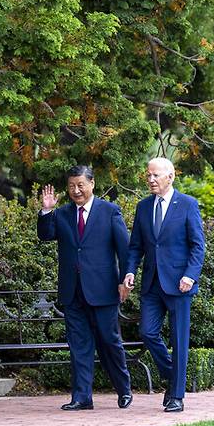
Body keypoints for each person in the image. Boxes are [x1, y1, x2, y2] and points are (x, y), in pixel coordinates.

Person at [38, 165, 132, 411]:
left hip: (103, 291)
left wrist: (125, 280)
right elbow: (46, 236)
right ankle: (82, 397)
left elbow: (125, 250)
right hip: (73, 292)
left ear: (92, 184)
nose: (76, 190)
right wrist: (47, 210)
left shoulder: (110, 211)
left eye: (80, 185)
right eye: (71, 186)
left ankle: (123, 390)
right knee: (79, 346)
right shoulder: (62, 214)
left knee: (109, 342)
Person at [120, 157, 205, 412]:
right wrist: (129, 271)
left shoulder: (188, 204)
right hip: (152, 284)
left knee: (179, 340)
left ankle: (176, 396)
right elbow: (135, 246)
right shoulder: (143, 207)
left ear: (171, 176)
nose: (151, 179)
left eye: (156, 175)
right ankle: (173, 374)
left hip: (180, 284)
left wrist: (190, 276)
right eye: (148, 175)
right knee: (147, 332)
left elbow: (198, 246)